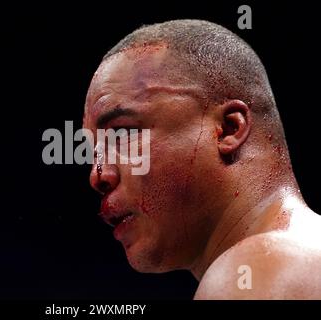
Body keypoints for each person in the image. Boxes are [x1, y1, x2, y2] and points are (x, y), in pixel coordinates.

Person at [83, 19, 321, 299]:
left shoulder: (255, 271)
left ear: (229, 129)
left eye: (122, 134)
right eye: (93, 151)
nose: (97, 176)